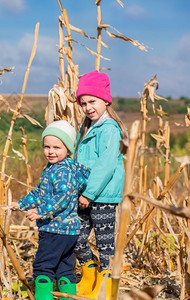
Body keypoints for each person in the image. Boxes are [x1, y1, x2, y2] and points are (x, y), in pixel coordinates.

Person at [8, 120, 90, 300]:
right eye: (47, 147)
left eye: (56, 147)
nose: (51, 151)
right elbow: (40, 192)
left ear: (68, 149)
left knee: (43, 267)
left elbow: (63, 197)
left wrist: (41, 212)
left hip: (55, 228)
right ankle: (67, 297)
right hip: (68, 232)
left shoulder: (62, 171)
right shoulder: (53, 169)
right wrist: (21, 204)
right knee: (64, 268)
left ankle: (43, 297)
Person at [73, 70, 128, 299]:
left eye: (92, 101)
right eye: (83, 103)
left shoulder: (109, 129)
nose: (87, 107)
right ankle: (89, 277)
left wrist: (89, 193)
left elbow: (105, 165)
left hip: (102, 197)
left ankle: (107, 287)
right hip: (84, 194)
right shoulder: (87, 127)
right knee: (76, 238)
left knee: (106, 246)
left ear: (105, 100)